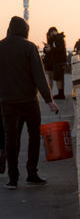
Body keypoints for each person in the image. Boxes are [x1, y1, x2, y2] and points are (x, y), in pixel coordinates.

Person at [1, 16, 59, 188]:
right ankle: (31, 173)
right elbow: (39, 75)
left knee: (11, 138)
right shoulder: (29, 47)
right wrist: (49, 100)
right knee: (34, 136)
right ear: (24, 30)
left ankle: (12, 178)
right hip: (28, 101)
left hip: (7, 102)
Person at [43, 26, 67, 99]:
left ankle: (60, 94)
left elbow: (60, 49)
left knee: (58, 78)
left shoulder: (58, 38)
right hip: (59, 61)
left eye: (50, 33)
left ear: (53, 31)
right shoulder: (57, 38)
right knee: (59, 78)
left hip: (58, 61)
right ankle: (60, 93)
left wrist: (51, 48)